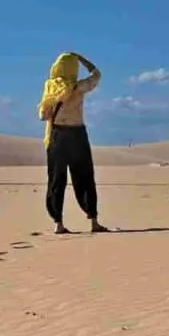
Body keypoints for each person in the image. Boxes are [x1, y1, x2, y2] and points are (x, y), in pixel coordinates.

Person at [38, 52, 107, 234]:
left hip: (57, 135)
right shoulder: (79, 86)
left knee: (56, 179)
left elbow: (43, 115)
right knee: (84, 177)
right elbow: (97, 75)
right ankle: (93, 222)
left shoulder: (50, 87)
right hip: (77, 134)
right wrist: (83, 60)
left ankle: (58, 223)